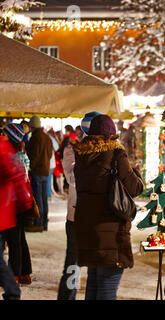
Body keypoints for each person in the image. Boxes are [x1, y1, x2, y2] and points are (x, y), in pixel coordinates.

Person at [72, 114, 143, 300]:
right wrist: (136, 172)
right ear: (112, 135)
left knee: (94, 285)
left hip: (87, 230)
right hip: (110, 233)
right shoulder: (116, 154)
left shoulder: (81, 158)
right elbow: (134, 188)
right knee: (107, 288)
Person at [57, 111, 99, 300]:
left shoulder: (106, 151)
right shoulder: (72, 150)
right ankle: (68, 296)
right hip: (76, 217)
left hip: (98, 217)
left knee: (97, 266)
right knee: (73, 263)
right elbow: (74, 178)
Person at [0, 132, 36, 300]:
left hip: (8, 207)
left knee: (15, 243)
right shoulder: (10, 151)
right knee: (17, 242)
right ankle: (16, 281)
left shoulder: (7, 152)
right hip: (11, 208)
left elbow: (17, 178)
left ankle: (13, 285)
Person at [27, 116, 53, 232]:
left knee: (38, 199)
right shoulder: (47, 137)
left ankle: (39, 223)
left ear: (32, 127)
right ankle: (45, 223)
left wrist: (30, 167)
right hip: (46, 171)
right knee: (44, 198)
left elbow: (35, 155)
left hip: (37, 171)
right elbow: (50, 154)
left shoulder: (35, 138)